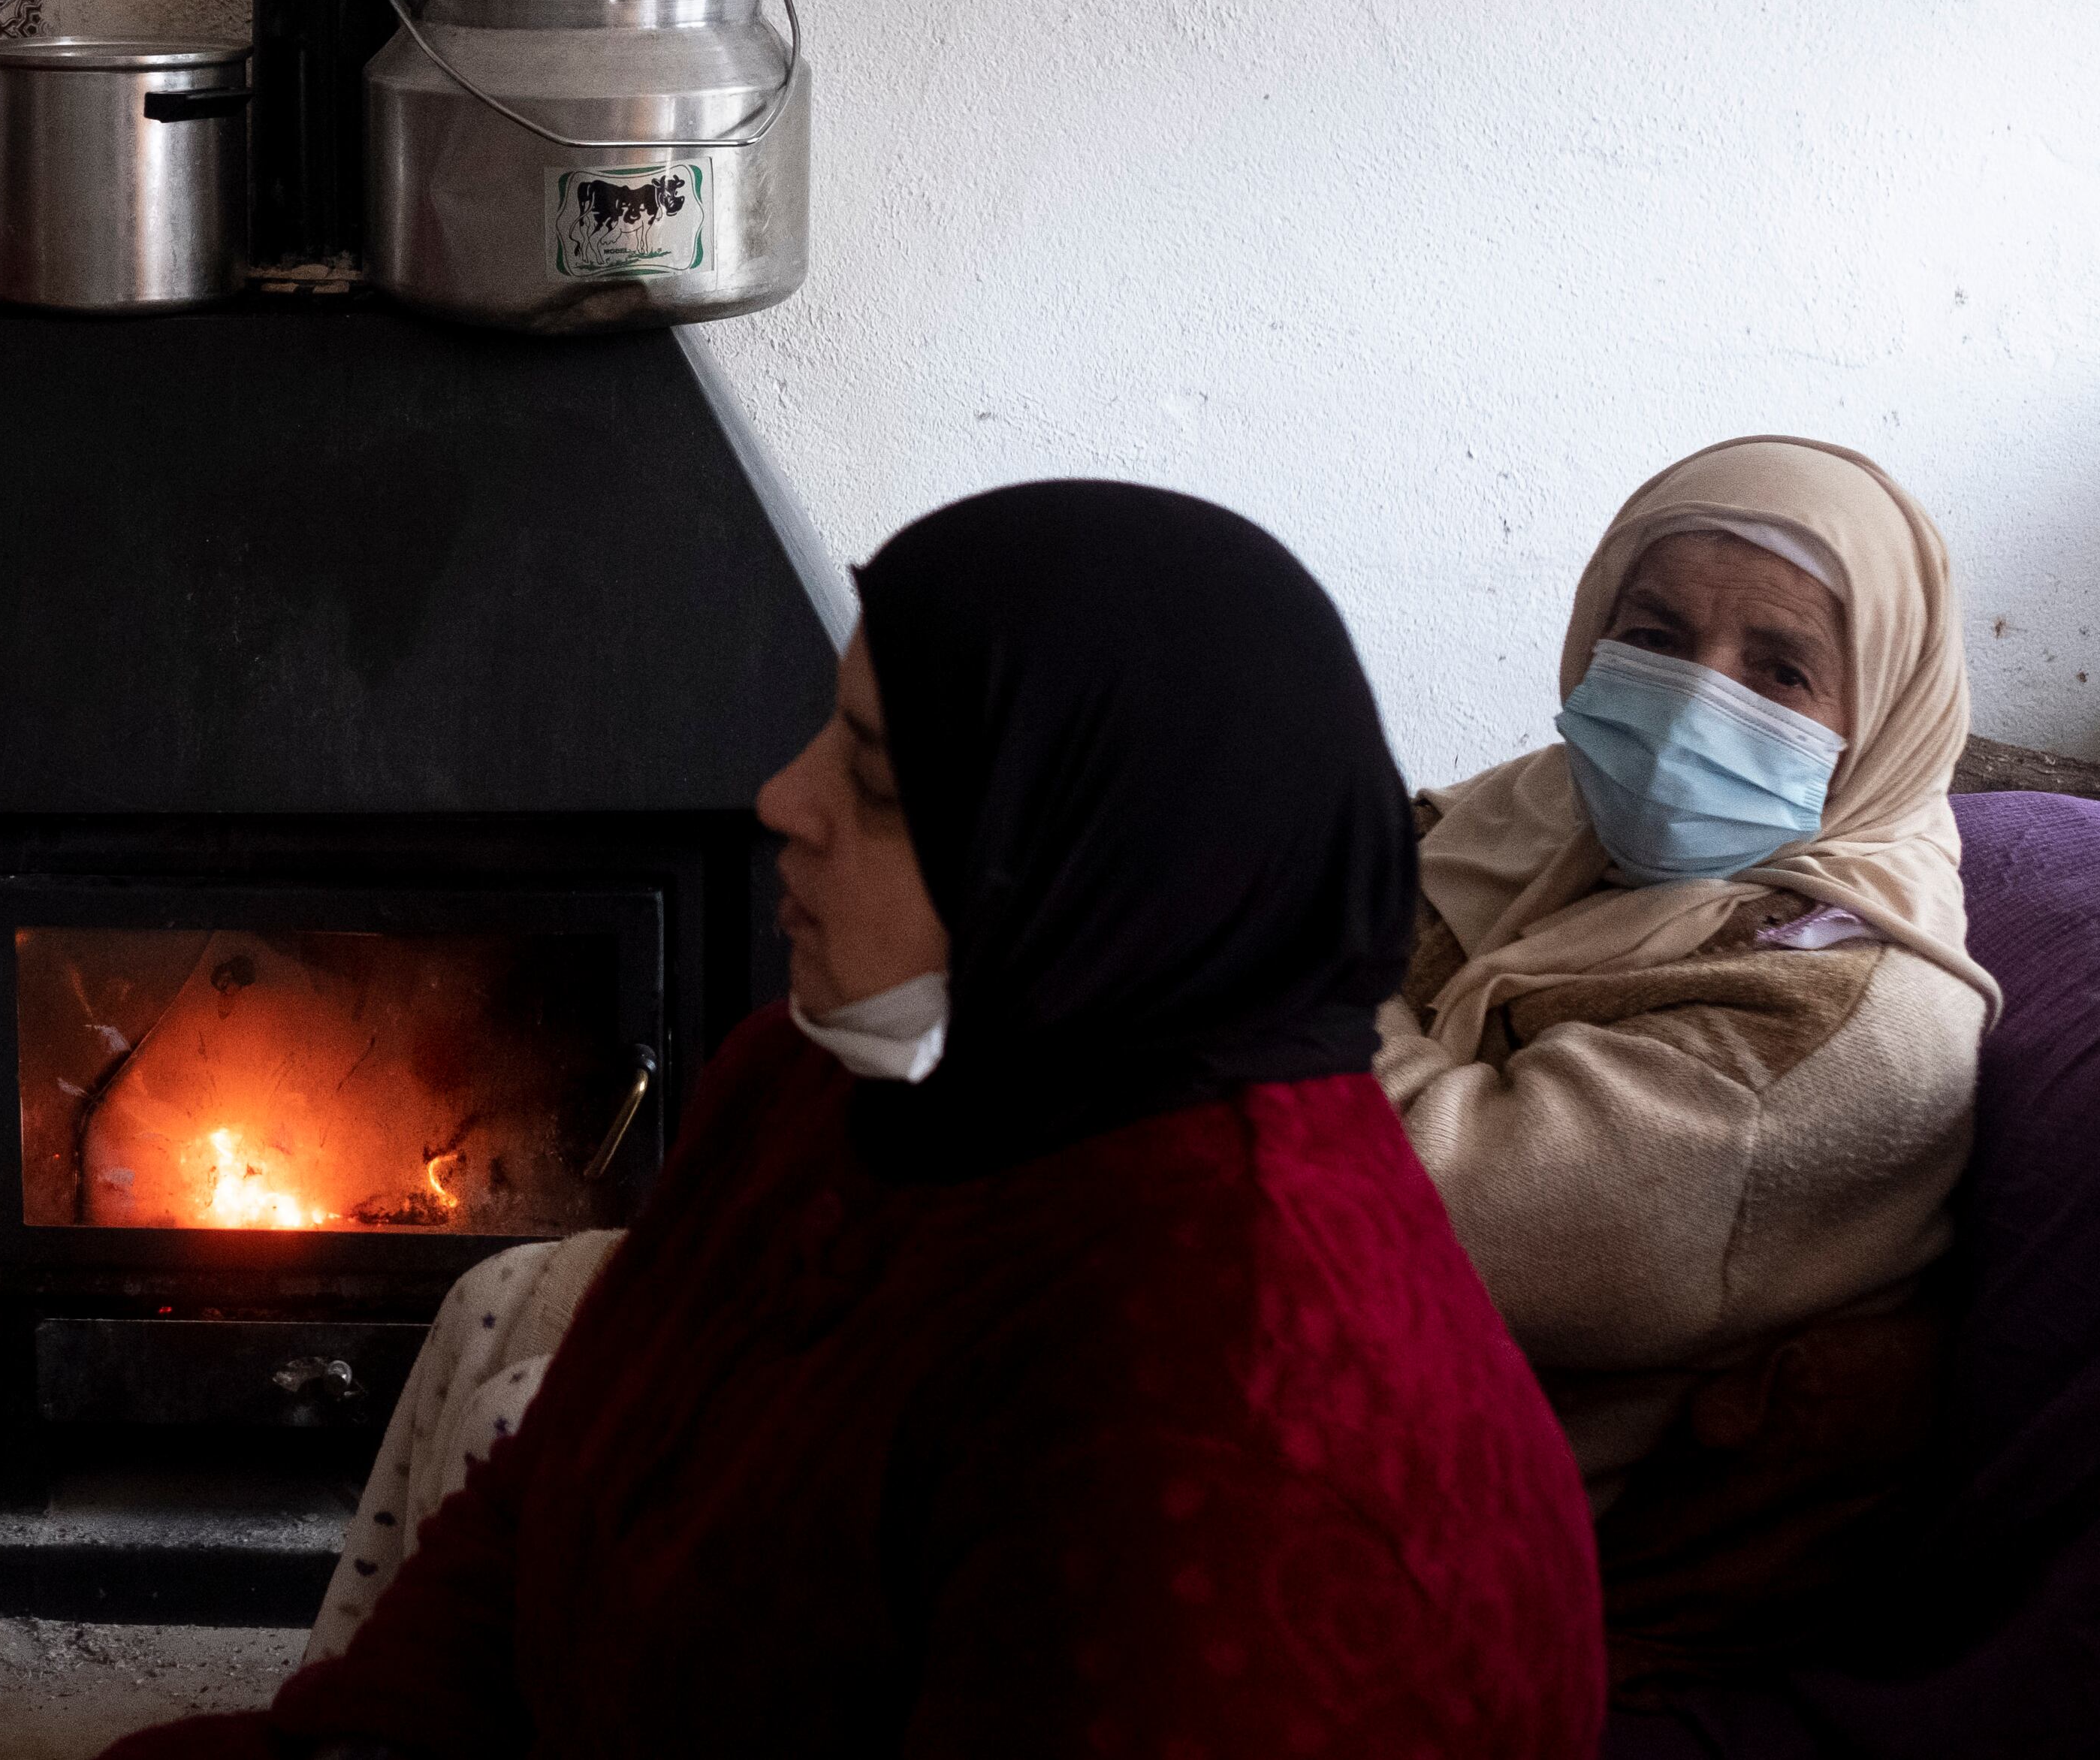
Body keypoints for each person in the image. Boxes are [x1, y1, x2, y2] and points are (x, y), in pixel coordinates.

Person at [113, 482, 1604, 1760]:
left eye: (878, 781)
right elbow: (558, 1487)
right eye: (835, 733)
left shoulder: (1213, 1428)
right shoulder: (823, 1084)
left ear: (1085, 860)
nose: (782, 798)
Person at [1378, 435, 1996, 1675]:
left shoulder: (1834, 1027)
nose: (1696, 708)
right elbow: (1353, 869)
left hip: (1452, 1526)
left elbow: (1397, 1210)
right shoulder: (1561, 807)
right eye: (1655, 640)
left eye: (1781, 670)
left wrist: (1252, 960)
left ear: (1886, 709)